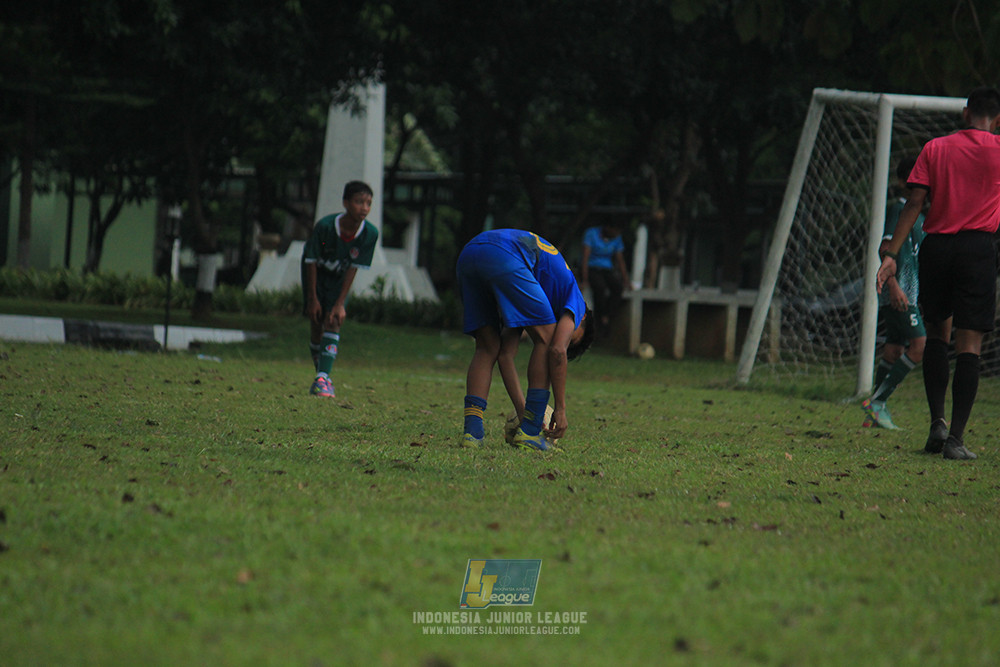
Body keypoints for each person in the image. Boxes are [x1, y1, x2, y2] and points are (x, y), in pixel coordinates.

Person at [877, 86, 1000, 460]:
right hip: (978, 249)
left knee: (936, 336)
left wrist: (890, 253)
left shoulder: (935, 148)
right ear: (998, 120)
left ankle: (937, 424)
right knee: (970, 345)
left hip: (937, 248)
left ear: (965, 114)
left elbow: (914, 203)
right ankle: (956, 441)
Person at [457, 229, 595, 451]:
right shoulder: (576, 300)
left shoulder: (536, 295)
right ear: (584, 317)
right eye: (571, 337)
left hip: (470, 252)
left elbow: (506, 356)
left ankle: (472, 433)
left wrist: (522, 410)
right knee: (549, 342)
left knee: (488, 347)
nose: (565, 335)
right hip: (506, 256)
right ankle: (530, 433)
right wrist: (560, 408)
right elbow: (557, 350)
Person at [862, 157, 927, 429]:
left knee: (894, 348)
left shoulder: (920, 215)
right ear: (902, 182)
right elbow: (885, 247)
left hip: (908, 293)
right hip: (898, 292)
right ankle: (877, 401)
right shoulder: (898, 209)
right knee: (919, 346)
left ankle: (875, 415)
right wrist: (894, 286)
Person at [301, 181, 379, 398]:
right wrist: (313, 298)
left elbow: (354, 268)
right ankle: (322, 375)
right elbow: (312, 260)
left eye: (368, 203)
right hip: (317, 276)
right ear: (346, 203)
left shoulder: (369, 234)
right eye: (359, 202)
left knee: (333, 320)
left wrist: (340, 303)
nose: (364, 207)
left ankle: (322, 378)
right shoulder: (325, 227)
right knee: (316, 323)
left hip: (339, 282)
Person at [580, 224, 630, 336]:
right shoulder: (591, 234)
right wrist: (584, 278)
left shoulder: (616, 238)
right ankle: (599, 317)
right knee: (599, 288)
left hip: (606, 269)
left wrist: (626, 279)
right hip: (591, 267)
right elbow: (585, 257)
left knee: (618, 287)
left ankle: (607, 316)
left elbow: (620, 259)